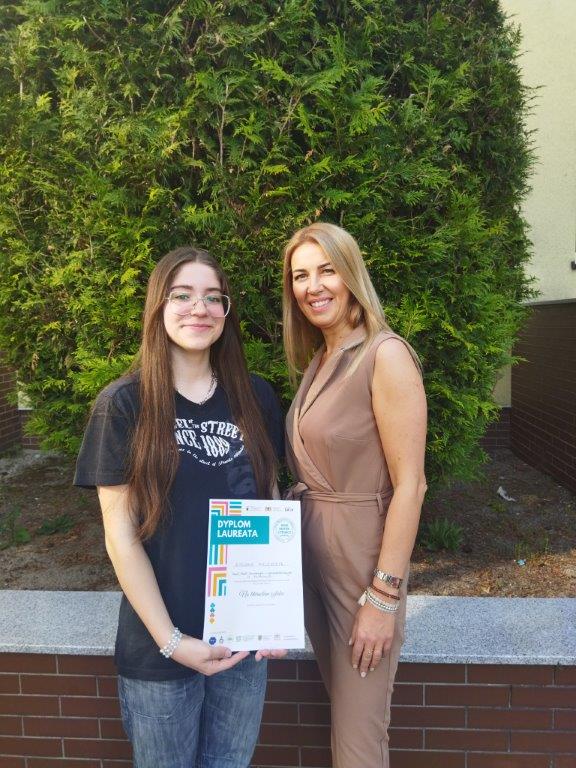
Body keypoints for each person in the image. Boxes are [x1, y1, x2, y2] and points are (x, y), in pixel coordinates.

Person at [74, 246, 285, 768]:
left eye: (213, 297)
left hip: (242, 642)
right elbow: (120, 537)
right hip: (160, 650)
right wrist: (171, 641)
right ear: (159, 307)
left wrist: (273, 616)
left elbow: (269, 505)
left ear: (226, 311)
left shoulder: (256, 397)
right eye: (182, 295)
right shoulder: (124, 404)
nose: (199, 309)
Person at [282, 222, 427, 768]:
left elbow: (411, 485)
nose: (313, 286)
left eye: (326, 271)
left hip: (360, 560)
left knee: (359, 733)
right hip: (313, 557)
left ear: (351, 276)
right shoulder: (321, 358)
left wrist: (383, 598)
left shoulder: (385, 355)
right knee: (342, 710)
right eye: (300, 276)